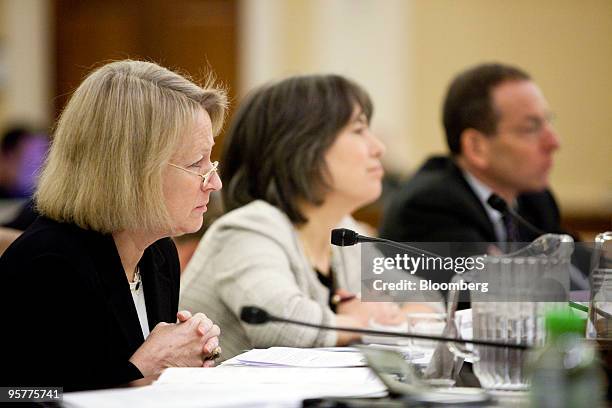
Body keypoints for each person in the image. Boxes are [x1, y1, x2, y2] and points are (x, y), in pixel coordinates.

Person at [0, 60, 226, 391]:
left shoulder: (158, 253)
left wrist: (187, 357)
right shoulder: (48, 264)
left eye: (211, 160)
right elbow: (17, 396)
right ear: (132, 172)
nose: (215, 182)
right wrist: (142, 369)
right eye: (196, 163)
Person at [180, 74, 441, 361]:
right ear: (302, 148)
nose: (378, 148)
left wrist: (373, 319)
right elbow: (284, 326)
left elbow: (427, 299)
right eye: (358, 130)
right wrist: (367, 322)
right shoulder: (247, 229)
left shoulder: (343, 231)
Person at [379, 62, 589, 289]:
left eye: (548, 122)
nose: (554, 142)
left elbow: (586, 273)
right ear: (476, 146)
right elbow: (486, 294)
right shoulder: (429, 205)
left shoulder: (535, 200)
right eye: (531, 128)